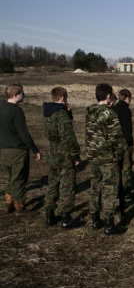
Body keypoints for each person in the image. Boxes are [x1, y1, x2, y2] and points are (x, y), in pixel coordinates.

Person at [85, 83, 127, 235]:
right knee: (109, 189)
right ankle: (109, 224)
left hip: (93, 156)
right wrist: (121, 152)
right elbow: (117, 137)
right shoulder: (110, 114)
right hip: (108, 158)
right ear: (108, 96)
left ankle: (95, 218)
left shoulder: (89, 112)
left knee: (95, 186)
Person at [43, 87, 83, 228]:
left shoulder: (48, 111)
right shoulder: (61, 114)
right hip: (64, 155)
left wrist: (69, 113)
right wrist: (75, 154)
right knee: (67, 185)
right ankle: (66, 218)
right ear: (63, 97)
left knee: (52, 184)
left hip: (53, 153)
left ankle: (49, 214)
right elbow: (68, 137)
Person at [0, 84, 41, 216]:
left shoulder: (1, 108)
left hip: (5, 150)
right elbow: (24, 134)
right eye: (22, 93)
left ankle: (8, 204)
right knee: (20, 178)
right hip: (18, 150)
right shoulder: (16, 111)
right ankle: (20, 207)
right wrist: (35, 150)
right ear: (16, 95)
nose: (24, 95)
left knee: (11, 177)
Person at [111, 89, 134, 221]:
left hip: (113, 144)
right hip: (123, 144)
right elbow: (127, 129)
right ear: (128, 98)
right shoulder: (125, 110)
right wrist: (130, 144)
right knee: (126, 169)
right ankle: (126, 193)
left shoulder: (114, 109)